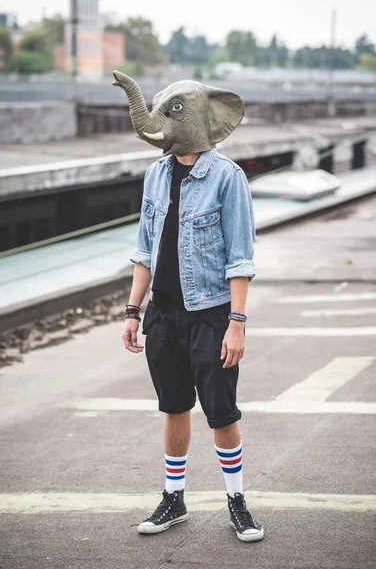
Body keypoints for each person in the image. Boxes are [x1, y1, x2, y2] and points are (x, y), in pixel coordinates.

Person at [114, 70, 264, 542]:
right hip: (163, 314)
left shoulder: (227, 177)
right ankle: (173, 498)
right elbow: (145, 248)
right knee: (174, 407)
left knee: (221, 413)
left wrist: (236, 324)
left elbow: (240, 258)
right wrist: (133, 311)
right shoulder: (155, 174)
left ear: (197, 118)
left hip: (212, 313)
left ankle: (237, 501)